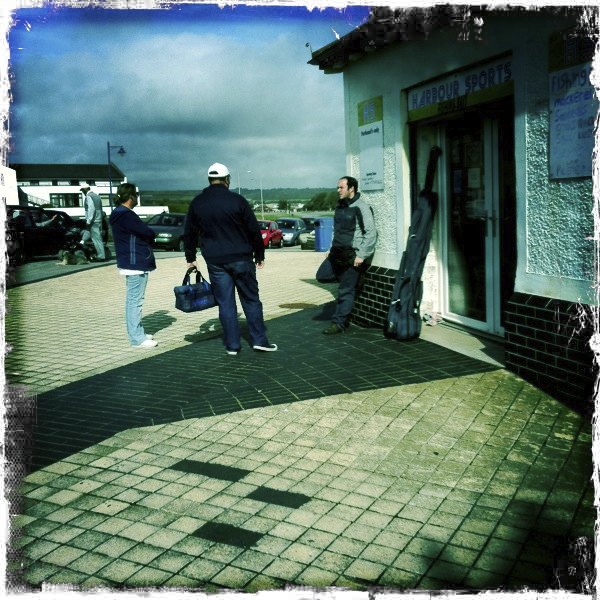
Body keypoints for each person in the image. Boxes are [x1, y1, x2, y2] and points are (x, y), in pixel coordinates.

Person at [184, 162, 277, 355]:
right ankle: (259, 340)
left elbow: (189, 233)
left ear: (209, 180)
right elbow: (253, 230)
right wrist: (260, 254)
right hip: (241, 258)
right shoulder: (237, 201)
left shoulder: (197, 203)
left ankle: (233, 346)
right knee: (250, 299)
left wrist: (190, 257)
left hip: (215, 261)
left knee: (226, 303)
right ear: (227, 180)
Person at [316, 175, 377, 334]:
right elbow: (336, 231)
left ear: (351, 188)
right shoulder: (340, 207)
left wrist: (362, 255)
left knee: (345, 291)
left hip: (352, 256)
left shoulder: (362, 207)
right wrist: (330, 248)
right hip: (336, 253)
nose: (338, 190)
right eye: (338, 187)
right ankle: (353, 281)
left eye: (341, 187)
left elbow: (371, 233)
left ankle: (339, 323)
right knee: (321, 275)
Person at [109, 182, 158, 349]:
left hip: (130, 262)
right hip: (135, 262)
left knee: (134, 300)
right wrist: (152, 235)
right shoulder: (127, 215)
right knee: (135, 301)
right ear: (130, 197)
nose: (137, 199)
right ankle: (137, 338)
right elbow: (147, 232)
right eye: (136, 196)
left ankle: (138, 332)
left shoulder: (118, 214)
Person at [80, 184, 106, 261]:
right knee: (93, 235)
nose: (82, 192)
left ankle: (101, 256)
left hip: (93, 220)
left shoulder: (89, 196)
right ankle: (81, 242)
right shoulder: (97, 196)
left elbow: (91, 209)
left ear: (85, 189)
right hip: (98, 219)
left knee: (96, 239)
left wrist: (88, 221)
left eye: (82, 190)